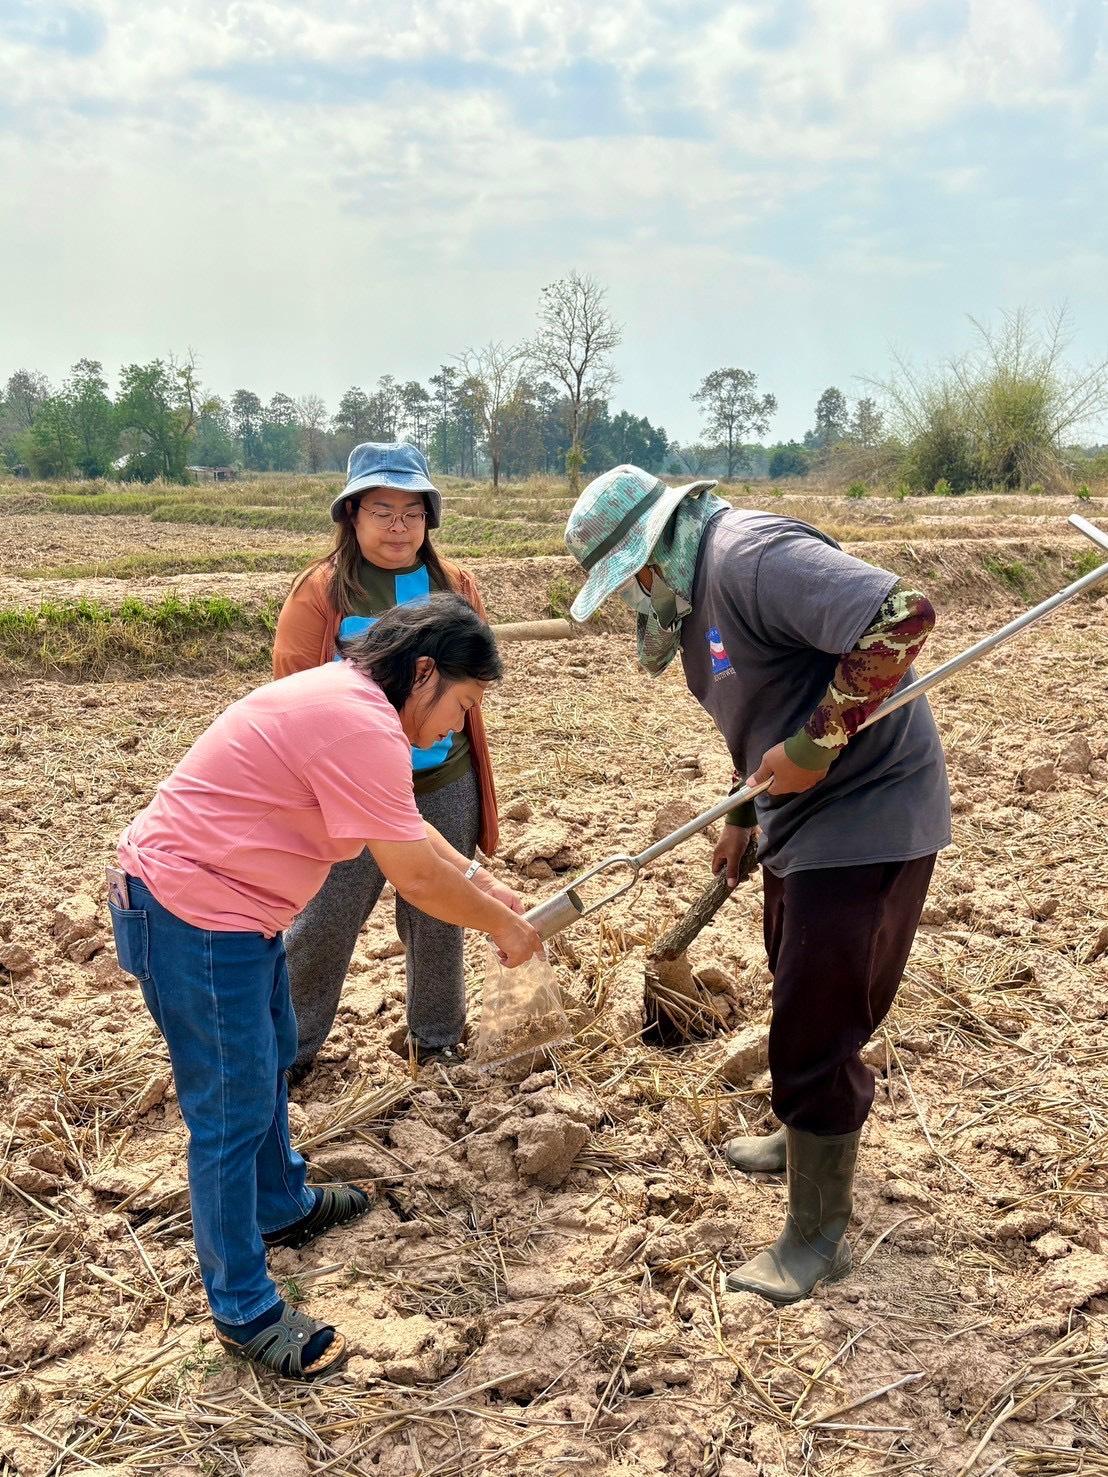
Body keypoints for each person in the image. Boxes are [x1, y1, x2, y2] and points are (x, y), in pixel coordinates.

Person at [109, 596, 540, 1380]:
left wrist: (485, 883)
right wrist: (502, 929)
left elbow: (409, 831)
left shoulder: (356, 705)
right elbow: (411, 875)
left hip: (234, 913)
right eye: (461, 706)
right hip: (192, 915)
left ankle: (281, 1204)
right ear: (423, 673)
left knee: (267, 1053)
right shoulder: (359, 721)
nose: (452, 729)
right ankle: (243, 1308)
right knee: (231, 1109)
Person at [564, 465, 950, 1305]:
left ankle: (817, 1237)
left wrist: (816, 744)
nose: (633, 599)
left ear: (650, 553)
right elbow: (761, 692)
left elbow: (902, 613)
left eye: (627, 580)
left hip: (867, 812)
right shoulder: (699, 591)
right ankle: (798, 1132)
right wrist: (741, 812)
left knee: (816, 1020)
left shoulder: (750, 557)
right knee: (791, 969)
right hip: (795, 815)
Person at [274, 441, 500, 1075]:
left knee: (438, 917)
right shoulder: (321, 591)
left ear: (429, 516)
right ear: (352, 515)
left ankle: (437, 1041)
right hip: (349, 791)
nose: (398, 525)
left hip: (442, 780)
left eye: (411, 511)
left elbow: (472, 678)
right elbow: (293, 691)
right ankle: (289, 1049)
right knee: (325, 918)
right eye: (382, 510)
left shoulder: (454, 586)